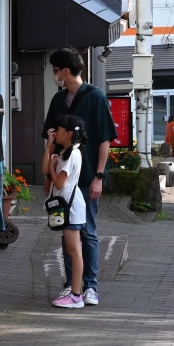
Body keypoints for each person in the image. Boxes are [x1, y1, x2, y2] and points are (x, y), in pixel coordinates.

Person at [40, 48, 114, 307]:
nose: (54, 74)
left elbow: (105, 140)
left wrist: (99, 176)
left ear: (66, 71)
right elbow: (48, 139)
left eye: (56, 69)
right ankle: (73, 286)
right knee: (66, 232)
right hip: (61, 177)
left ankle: (90, 287)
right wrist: (48, 177)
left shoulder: (95, 97)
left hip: (86, 175)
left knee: (88, 232)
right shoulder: (58, 100)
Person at [46, 115, 89, 309]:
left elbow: (59, 183)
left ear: (69, 133)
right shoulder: (67, 152)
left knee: (74, 250)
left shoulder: (72, 154)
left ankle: (76, 294)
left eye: (60, 129)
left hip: (70, 206)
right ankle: (75, 292)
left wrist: (51, 166)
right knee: (73, 250)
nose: (56, 131)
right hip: (68, 204)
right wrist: (50, 152)